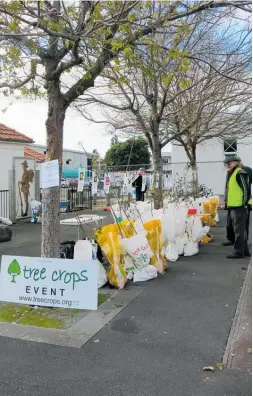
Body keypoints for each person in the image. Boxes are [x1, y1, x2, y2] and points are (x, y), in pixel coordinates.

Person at [223, 156, 251, 259]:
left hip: (239, 207)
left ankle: (238, 252)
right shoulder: (232, 173)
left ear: (236, 163)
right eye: (226, 164)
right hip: (234, 206)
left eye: (229, 163)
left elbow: (246, 190)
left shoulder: (240, 173)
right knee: (240, 230)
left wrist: (244, 204)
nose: (227, 165)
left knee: (239, 231)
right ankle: (245, 250)